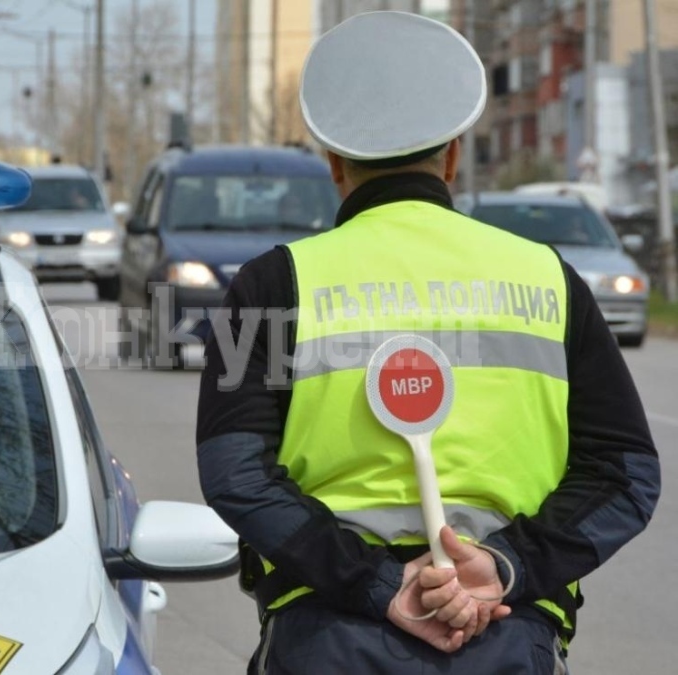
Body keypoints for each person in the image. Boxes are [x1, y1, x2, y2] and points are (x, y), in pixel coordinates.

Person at [195, 11, 660, 675]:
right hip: (510, 635)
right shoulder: (549, 280)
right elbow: (626, 473)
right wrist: (504, 565)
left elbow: (234, 471)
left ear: (334, 166)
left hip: (325, 634)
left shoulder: (273, 283)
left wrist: (379, 585)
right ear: (453, 156)